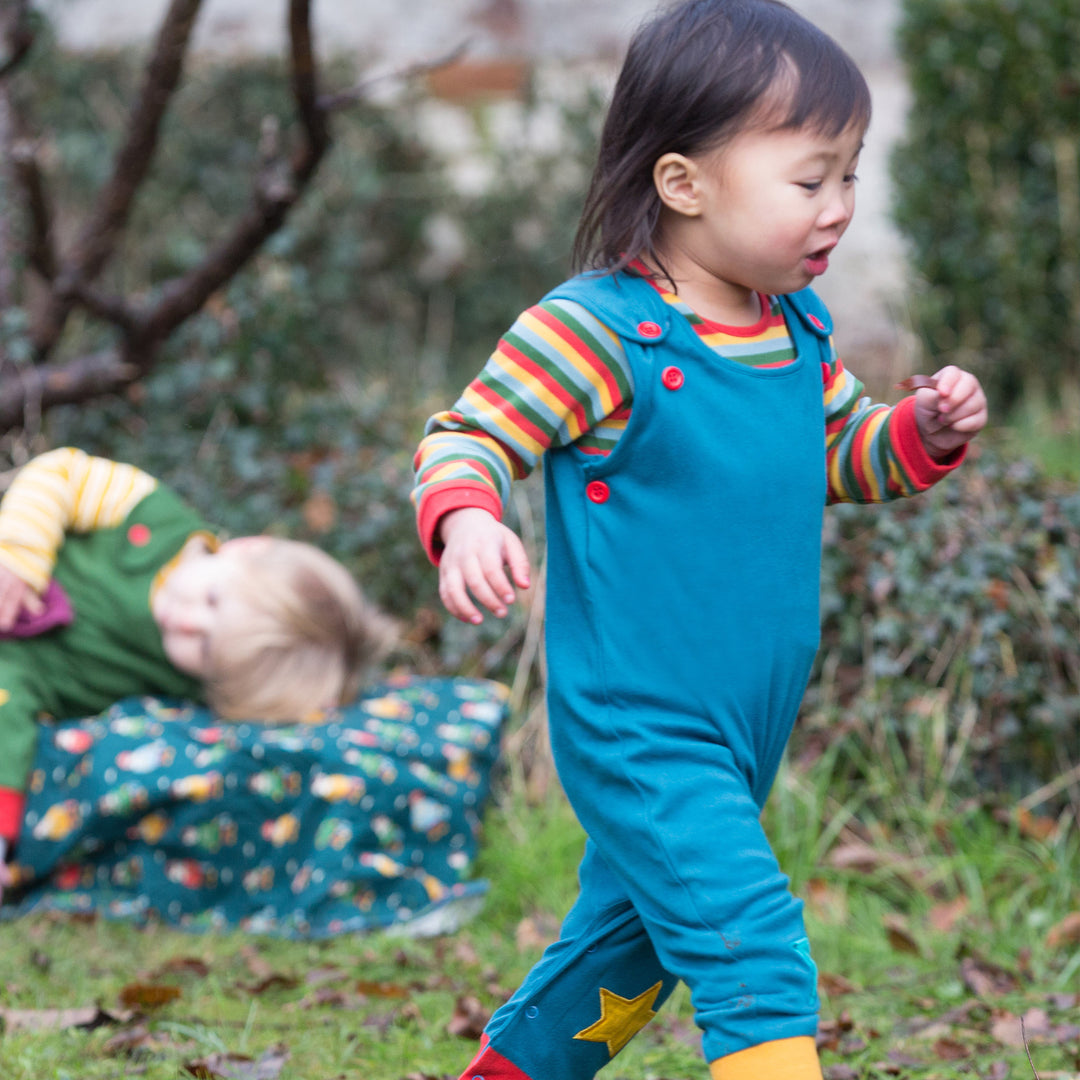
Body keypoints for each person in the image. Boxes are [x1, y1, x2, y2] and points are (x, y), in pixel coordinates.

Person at [412, 1, 988, 1077]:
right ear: (683, 184)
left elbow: (843, 460)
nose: (840, 208)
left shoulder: (795, 328)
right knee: (750, 945)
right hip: (640, 723)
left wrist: (921, 430)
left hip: (743, 727)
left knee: (622, 962)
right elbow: (467, 437)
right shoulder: (599, 333)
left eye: (850, 177)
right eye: (810, 179)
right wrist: (470, 519)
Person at [0, 446, 393, 891]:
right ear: (245, 549)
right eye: (212, 600)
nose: (186, 621)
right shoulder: (151, 515)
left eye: (206, 648)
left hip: (18, 680)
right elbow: (60, 472)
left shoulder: (181, 690)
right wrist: (18, 557)